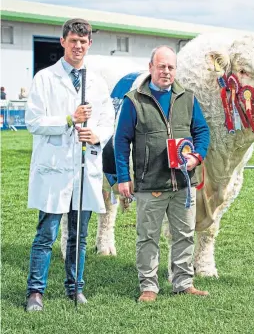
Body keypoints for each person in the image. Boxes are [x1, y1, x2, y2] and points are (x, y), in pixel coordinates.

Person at [24, 18, 115, 311]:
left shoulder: (98, 82)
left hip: (84, 167)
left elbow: (106, 120)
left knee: (80, 235)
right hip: (54, 168)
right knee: (47, 233)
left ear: (90, 44)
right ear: (63, 42)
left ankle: (75, 288)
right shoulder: (44, 79)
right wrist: (68, 120)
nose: (78, 46)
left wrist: (95, 134)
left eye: (83, 41)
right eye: (73, 40)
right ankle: (35, 292)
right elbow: (34, 122)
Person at [114, 45, 210, 302]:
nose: (166, 72)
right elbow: (121, 141)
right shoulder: (133, 101)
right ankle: (148, 286)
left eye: (170, 67)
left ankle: (183, 282)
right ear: (151, 68)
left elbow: (202, 132)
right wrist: (123, 177)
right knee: (148, 237)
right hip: (150, 183)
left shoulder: (188, 98)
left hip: (183, 183)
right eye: (161, 66)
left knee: (185, 234)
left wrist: (196, 156)